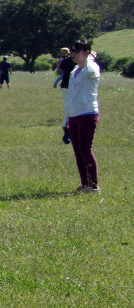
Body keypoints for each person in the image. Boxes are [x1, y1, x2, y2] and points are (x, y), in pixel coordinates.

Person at [63, 40, 101, 194]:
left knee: (85, 149)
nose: (72, 54)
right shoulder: (74, 71)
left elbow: (91, 69)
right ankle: (85, 184)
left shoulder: (91, 68)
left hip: (87, 113)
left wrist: (90, 57)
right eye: (71, 51)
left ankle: (93, 186)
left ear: (86, 52)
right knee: (78, 151)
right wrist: (66, 118)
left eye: (76, 51)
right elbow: (71, 96)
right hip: (74, 114)